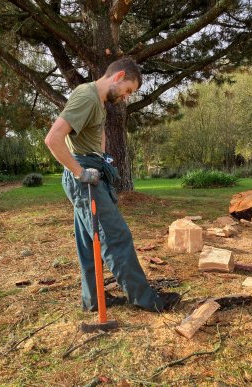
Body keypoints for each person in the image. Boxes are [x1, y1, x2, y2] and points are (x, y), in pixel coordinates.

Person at [45, 57, 181, 312]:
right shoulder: (86, 96)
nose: (127, 97)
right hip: (84, 178)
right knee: (116, 236)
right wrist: (80, 173)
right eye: (128, 90)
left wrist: (103, 157)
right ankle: (145, 299)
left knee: (89, 242)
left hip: (90, 171)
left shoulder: (97, 101)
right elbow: (53, 139)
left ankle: (94, 299)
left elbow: (97, 132)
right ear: (118, 76)